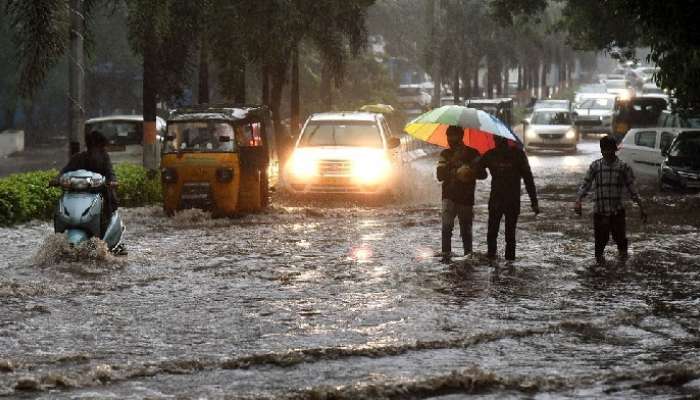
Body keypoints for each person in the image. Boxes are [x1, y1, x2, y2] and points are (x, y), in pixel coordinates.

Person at [575, 135, 647, 264]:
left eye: (609, 149)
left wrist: (642, 207)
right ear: (601, 150)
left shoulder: (623, 167)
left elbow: (632, 189)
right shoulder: (595, 166)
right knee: (599, 244)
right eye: (604, 150)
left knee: (621, 243)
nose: (607, 152)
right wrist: (578, 201)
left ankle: (622, 268)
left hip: (617, 212)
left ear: (615, 150)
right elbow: (585, 185)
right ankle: (600, 271)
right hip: (600, 212)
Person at [478, 136, 539, 262]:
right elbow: (528, 178)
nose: (496, 141)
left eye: (496, 139)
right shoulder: (517, 154)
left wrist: (534, 201)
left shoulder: (492, 154)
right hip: (507, 200)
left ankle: (493, 261)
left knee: (496, 233)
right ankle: (508, 264)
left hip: (501, 200)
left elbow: (479, 172)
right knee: (504, 234)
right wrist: (534, 202)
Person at [436, 125, 487, 259]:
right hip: (448, 197)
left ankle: (468, 256)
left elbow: (483, 174)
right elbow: (439, 175)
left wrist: (470, 170)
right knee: (446, 229)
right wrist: (453, 166)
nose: (450, 139)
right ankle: (446, 256)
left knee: (466, 230)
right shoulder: (445, 154)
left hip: (466, 197)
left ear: (460, 137)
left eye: (453, 136)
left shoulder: (473, 153)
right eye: (448, 136)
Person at [60, 130, 119, 233]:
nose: (96, 149)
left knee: (106, 206)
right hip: (77, 193)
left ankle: (104, 229)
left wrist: (112, 181)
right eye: (93, 146)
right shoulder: (78, 158)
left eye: (98, 147)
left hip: (99, 192)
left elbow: (110, 172)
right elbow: (65, 171)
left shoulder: (104, 158)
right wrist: (57, 180)